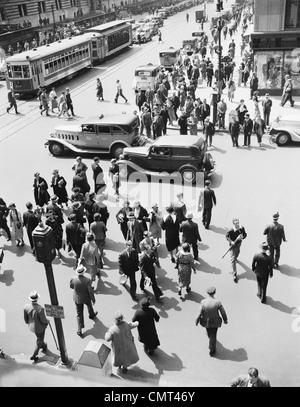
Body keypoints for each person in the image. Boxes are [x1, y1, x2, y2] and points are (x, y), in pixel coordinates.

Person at [195, 286, 228, 356]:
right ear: (214, 292)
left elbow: (199, 312)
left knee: (209, 331)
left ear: (207, 293)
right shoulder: (218, 302)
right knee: (213, 334)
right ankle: (212, 349)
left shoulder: (203, 302)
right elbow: (223, 312)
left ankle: (211, 340)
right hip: (215, 322)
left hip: (205, 322)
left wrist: (197, 320)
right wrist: (225, 320)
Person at [70, 264, 98, 337]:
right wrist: (93, 299)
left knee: (79, 313)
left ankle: (79, 329)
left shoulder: (73, 278)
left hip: (77, 298)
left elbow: (71, 286)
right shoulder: (87, 280)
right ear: (83, 272)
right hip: (86, 297)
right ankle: (91, 314)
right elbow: (90, 291)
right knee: (89, 305)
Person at [24, 291, 49, 362]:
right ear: (37, 299)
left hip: (32, 327)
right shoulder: (40, 309)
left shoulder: (26, 306)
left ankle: (43, 346)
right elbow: (43, 320)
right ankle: (34, 355)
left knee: (39, 338)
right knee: (39, 340)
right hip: (40, 328)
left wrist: (27, 322)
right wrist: (47, 322)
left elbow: (25, 318)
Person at [225, 218, 247, 283]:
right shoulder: (231, 230)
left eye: (238, 223)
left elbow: (245, 234)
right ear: (233, 224)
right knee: (233, 259)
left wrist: (242, 237)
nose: (237, 224)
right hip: (232, 245)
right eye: (236, 223)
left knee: (238, 252)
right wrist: (231, 241)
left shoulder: (241, 228)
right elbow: (226, 236)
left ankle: (236, 257)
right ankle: (234, 274)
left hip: (239, 243)